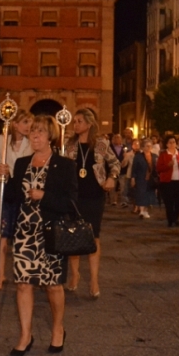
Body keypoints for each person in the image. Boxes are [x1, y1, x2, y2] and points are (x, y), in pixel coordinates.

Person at [0, 114, 77, 356]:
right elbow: (13, 197)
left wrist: (44, 196)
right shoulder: (22, 163)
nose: (35, 136)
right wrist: (5, 179)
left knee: (53, 285)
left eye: (40, 132)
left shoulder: (64, 165)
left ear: (50, 136)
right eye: (32, 132)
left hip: (50, 232)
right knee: (23, 284)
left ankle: (57, 328)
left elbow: (72, 202)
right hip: (24, 232)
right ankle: (25, 335)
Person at [64, 108, 120, 299]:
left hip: (95, 196)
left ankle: (94, 279)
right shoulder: (69, 145)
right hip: (73, 196)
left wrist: (112, 178)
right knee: (73, 236)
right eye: (74, 121)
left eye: (79, 121)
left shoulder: (101, 143)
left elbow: (115, 164)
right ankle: (74, 275)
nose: (75, 124)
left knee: (93, 236)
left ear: (89, 124)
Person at [0, 110, 33, 288]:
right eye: (25, 122)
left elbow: (31, 166)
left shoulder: (31, 141)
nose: (29, 126)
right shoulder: (2, 140)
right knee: (2, 234)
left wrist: (13, 171)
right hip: (6, 189)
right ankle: (0, 275)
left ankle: (22, 273)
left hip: (23, 190)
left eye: (30, 122)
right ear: (14, 124)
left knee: (22, 235)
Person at [156, 135, 179, 227]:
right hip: (167, 182)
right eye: (170, 142)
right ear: (167, 144)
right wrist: (168, 165)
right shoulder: (164, 155)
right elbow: (158, 168)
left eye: (174, 142)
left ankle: (175, 218)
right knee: (169, 202)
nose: (172, 144)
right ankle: (170, 220)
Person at [131, 138, 158, 219]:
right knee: (141, 194)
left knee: (149, 194)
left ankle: (146, 210)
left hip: (151, 179)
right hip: (141, 178)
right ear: (143, 147)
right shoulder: (138, 157)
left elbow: (157, 168)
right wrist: (133, 178)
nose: (148, 148)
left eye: (150, 146)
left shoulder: (154, 156)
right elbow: (134, 168)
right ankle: (142, 211)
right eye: (146, 146)